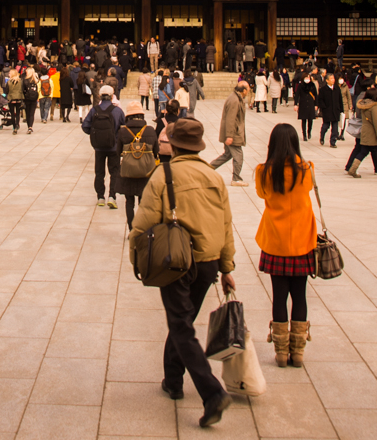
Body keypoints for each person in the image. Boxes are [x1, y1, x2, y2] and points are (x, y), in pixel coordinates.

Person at [128, 117, 235, 428]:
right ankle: (173, 380)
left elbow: (144, 222)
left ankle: (212, 392)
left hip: (176, 260)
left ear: (173, 145)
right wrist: (226, 267)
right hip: (208, 262)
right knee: (183, 322)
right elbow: (226, 225)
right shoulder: (213, 176)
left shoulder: (163, 175)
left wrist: (138, 258)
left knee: (181, 325)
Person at [255, 123, 317, 368]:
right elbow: (309, 189)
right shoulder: (307, 169)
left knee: (279, 297)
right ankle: (298, 352)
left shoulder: (264, 171)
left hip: (275, 241)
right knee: (299, 296)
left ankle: (281, 353)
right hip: (302, 241)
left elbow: (262, 194)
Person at [115, 100, 158, 229]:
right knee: (143, 202)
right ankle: (142, 228)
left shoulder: (123, 131)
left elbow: (118, 153)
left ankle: (131, 228)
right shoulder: (150, 130)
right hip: (146, 172)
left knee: (129, 202)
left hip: (129, 172)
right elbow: (156, 152)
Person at [82, 85, 124, 208]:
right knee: (114, 172)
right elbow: (124, 125)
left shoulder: (94, 110)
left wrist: (95, 133)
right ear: (112, 96)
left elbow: (85, 126)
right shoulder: (117, 111)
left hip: (99, 147)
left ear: (100, 96)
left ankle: (100, 197)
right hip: (114, 146)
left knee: (99, 172)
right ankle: (112, 196)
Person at [210, 81, 250, 186]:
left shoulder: (236, 98)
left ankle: (208, 168)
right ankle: (236, 178)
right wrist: (229, 135)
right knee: (238, 156)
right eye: (248, 89)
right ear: (244, 90)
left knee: (227, 155)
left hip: (233, 132)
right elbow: (230, 119)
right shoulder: (234, 100)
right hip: (233, 134)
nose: (248, 91)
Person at [347, 86, 377, 179]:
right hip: (373, 134)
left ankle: (352, 169)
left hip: (366, 132)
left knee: (363, 151)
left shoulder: (364, 104)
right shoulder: (374, 107)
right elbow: (376, 123)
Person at [317, 73, 342, 147]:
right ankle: (322, 136)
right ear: (327, 80)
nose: (333, 80)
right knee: (326, 125)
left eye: (333, 78)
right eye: (331, 79)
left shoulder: (337, 89)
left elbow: (340, 100)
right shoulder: (323, 89)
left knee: (335, 128)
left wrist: (341, 110)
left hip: (335, 110)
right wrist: (323, 107)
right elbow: (320, 100)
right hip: (327, 111)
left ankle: (333, 142)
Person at [296, 73, 318, 141]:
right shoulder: (300, 85)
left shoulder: (312, 85)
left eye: (308, 78)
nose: (307, 79)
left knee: (310, 119)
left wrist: (316, 104)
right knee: (304, 120)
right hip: (303, 103)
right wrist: (295, 104)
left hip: (311, 103)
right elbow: (297, 95)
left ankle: (309, 132)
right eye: (306, 78)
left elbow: (316, 95)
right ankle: (304, 134)